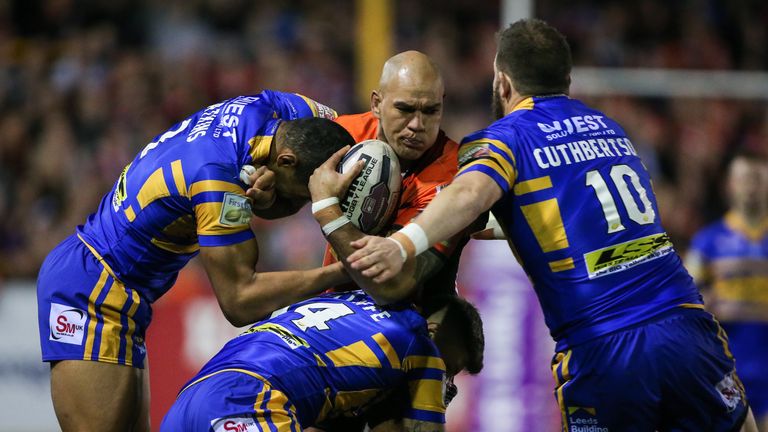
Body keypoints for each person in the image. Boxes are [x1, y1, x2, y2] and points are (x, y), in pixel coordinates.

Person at [347, 19, 758, 431]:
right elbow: (559, 216)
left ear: (502, 82)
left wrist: (401, 243)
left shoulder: (505, 138)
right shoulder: (610, 128)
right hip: (687, 325)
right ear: (567, 79)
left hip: (603, 344)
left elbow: (470, 194)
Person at [37, 90, 359, 431]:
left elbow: (345, 131)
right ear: (287, 161)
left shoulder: (279, 108)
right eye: (303, 195)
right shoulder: (217, 179)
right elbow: (240, 301)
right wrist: (342, 271)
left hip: (125, 289)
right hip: (91, 288)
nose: (302, 205)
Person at [160, 290, 484, 431]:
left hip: (191, 399)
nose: (445, 380)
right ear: (434, 330)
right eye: (448, 368)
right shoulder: (417, 342)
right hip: (250, 401)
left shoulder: (354, 302)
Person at [305, 50, 484, 306]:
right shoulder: (343, 136)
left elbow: (390, 286)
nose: (417, 125)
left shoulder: (453, 178)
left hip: (410, 320)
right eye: (405, 109)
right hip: (336, 307)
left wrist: (327, 209)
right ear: (377, 104)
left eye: (431, 111)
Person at [686, 150, 768, 431]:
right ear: (730, 185)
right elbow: (686, 299)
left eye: (757, 178)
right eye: (745, 179)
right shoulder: (707, 241)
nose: (751, 186)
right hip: (727, 367)